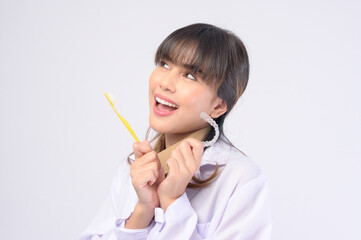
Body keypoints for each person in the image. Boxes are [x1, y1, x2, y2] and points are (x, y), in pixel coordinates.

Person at [78, 23, 272, 240]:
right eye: (164, 64)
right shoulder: (133, 169)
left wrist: (172, 202)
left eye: (190, 76)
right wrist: (142, 212)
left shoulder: (241, 179)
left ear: (218, 106)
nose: (165, 83)